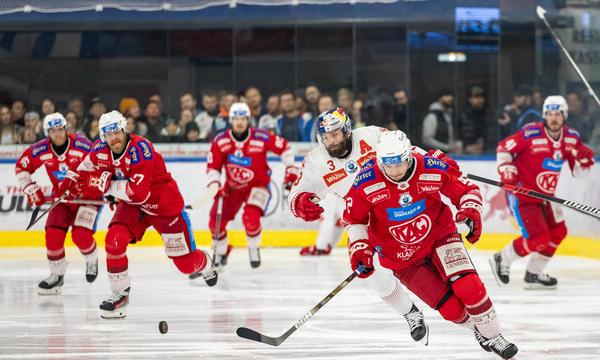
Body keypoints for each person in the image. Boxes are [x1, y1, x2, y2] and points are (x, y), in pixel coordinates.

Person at [343, 130, 518, 359]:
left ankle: (494, 336)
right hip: (401, 258)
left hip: (439, 235)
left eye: (399, 163)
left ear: (408, 156)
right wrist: (359, 248)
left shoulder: (431, 167)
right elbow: (353, 220)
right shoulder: (366, 180)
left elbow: (466, 190)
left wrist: (469, 210)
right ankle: (478, 329)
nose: (394, 170)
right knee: (451, 309)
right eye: (388, 164)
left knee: (469, 286)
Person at [288, 108, 430, 344]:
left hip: (400, 209)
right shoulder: (315, 161)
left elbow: (411, 154)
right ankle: (410, 312)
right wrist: (301, 204)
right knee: (368, 270)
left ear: (346, 130)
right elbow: (296, 196)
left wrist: (439, 164)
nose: (331, 141)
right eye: (326, 136)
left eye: (335, 134)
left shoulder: (373, 136)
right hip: (362, 220)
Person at [57, 110, 217, 318]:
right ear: (103, 136)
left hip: (164, 207)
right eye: (108, 134)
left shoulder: (141, 149)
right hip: (134, 206)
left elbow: (138, 193)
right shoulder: (100, 149)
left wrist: (106, 185)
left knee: (186, 265)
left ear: (125, 129)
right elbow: (85, 166)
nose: (113, 138)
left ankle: (205, 263)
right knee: (114, 240)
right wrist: (69, 180)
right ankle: (120, 295)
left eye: (117, 132)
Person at [491, 95, 595, 289]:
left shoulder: (571, 138)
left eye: (558, 114)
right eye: (549, 114)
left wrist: (585, 162)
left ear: (564, 115)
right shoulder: (530, 133)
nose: (553, 118)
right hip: (522, 194)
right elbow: (503, 148)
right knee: (538, 239)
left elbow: (578, 173)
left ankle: (533, 274)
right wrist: (508, 172)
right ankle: (502, 258)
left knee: (558, 232)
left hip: (546, 197)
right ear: (544, 116)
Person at [199, 102, 298, 270]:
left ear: (248, 120)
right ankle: (221, 252)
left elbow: (284, 147)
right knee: (215, 222)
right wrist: (215, 185)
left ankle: (253, 248)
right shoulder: (220, 140)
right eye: (236, 118)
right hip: (232, 188)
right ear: (230, 120)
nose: (239, 122)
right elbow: (213, 167)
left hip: (258, 187)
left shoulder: (261, 137)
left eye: (243, 118)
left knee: (251, 220)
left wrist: (290, 167)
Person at [15, 113, 101, 295]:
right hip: (62, 199)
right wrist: (31, 189)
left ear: (66, 128)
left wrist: (86, 183)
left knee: (80, 235)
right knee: (52, 235)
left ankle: (92, 259)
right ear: (47, 132)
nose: (58, 134)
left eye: (60, 129)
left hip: (88, 198)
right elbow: (22, 167)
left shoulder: (82, 145)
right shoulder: (41, 150)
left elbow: (101, 165)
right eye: (53, 130)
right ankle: (57, 276)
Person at [421, 89, 461, 154]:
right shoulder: (432, 116)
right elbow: (427, 140)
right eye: (447, 95)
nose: (450, 98)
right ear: (440, 98)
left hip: (448, 155)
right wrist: (447, 147)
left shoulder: (448, 115)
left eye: (451, 96)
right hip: (433, 157)